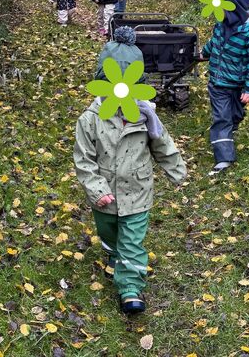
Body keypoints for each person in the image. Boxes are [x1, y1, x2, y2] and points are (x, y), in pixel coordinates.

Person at [73, 66, 186, 315]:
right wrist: (97, 189)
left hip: (137, 192)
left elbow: (162, 144)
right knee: (109, 233)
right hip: (105, 195)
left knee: (132, 241)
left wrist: (176, 170)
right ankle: (113, 254)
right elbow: (84, 160)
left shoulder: (146, 117)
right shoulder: (90, 120)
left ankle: (130, 289)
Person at [200, 0, 249, 176]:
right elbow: (215, 42)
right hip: (218, 82)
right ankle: (224, 158)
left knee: (235, 115)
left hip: (238, 84)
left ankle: (227, 131)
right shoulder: (221, 23)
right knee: (222, 118)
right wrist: (205, 52)